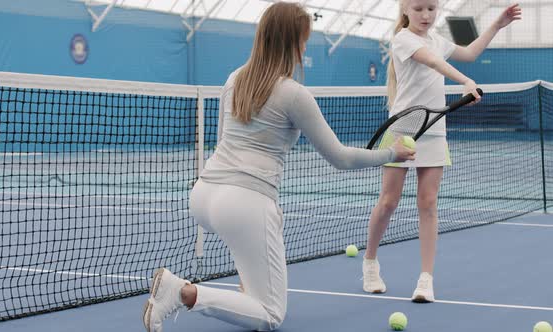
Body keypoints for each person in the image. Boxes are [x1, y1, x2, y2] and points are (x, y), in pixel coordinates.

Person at [142, 2, 414, 332]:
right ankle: (182, 291)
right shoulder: (293, 94)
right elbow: (340, 158)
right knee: (270, 314)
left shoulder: (233, 80)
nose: (304, 47)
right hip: (242, 204)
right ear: (292, 42)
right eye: (303, 39)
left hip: (203, 194)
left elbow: (221, 140)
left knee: (258, 230)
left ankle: (242, 287)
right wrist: (391, 154)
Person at [361, 0, 521, 303]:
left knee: (429, 202)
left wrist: (497, 25)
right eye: (419, 8)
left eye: (432, 9)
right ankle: (370, 263)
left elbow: (470, 53)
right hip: (401, 131)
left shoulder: (437, 40)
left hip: (434, 133)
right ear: (406, 9)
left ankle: (425, 279)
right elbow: (434, 62)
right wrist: (465, 81)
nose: (426, 15)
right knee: (389, 202)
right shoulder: (403, 39)